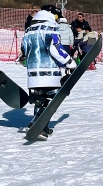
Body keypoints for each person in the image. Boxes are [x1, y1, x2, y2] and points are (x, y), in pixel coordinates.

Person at [21, 9, 77, 139]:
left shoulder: (28, 30)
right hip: (49, 72)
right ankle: (37, 125)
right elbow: (56, 49)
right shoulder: (50, 28)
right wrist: (69, 62)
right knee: (52, 100)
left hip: (33, 72)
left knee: (40, 100)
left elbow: (23, 49)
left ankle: (41, 127)